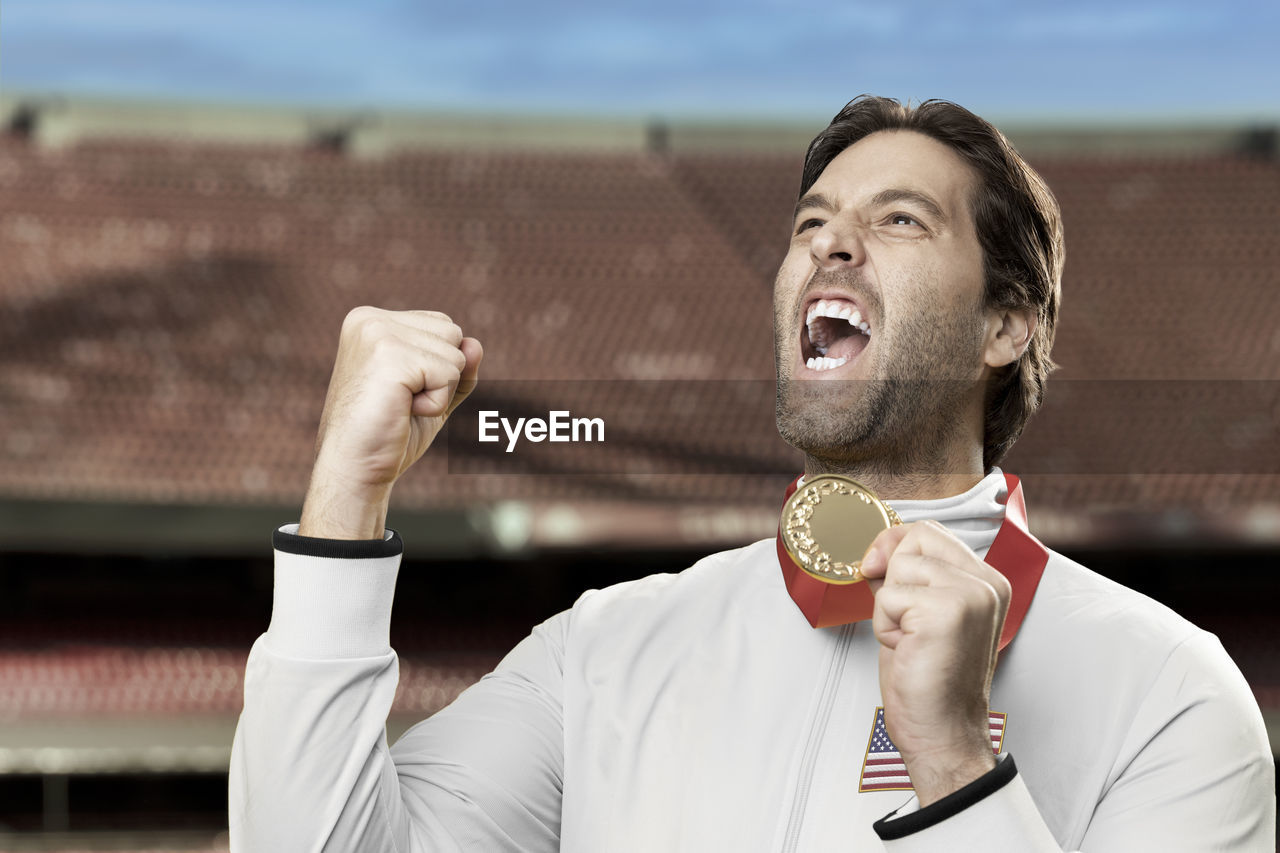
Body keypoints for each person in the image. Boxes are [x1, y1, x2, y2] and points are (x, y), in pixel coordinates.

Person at [229, 96, 1275, 851]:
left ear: (1004, 323)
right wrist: (343, 504)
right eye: (808, 225)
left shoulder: (1170, 694)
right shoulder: (601, 650)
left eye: (897, 220)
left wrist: (956, 767)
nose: (830, 247)